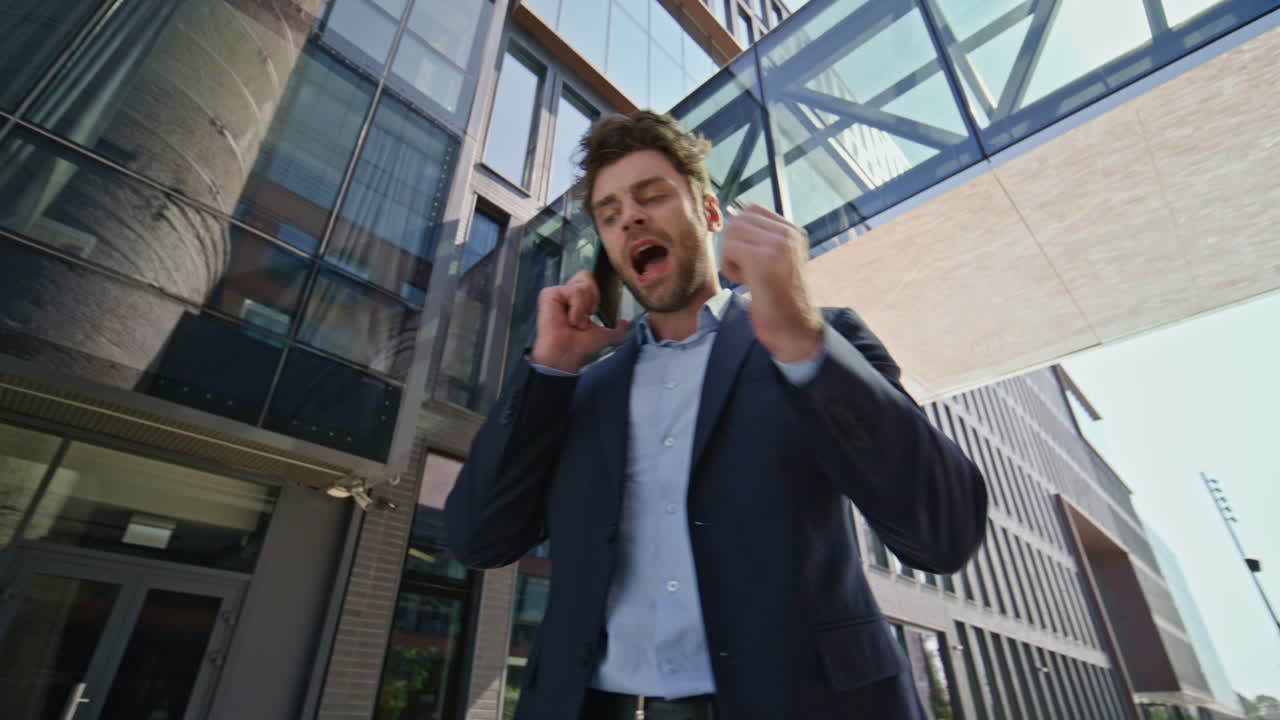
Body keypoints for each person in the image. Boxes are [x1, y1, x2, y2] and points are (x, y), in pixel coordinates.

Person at [445, 111, 988, 720]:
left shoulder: (818, 339)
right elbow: (477, 540)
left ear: (708, 214)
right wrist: (547, 371)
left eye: (652, 195)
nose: (631, 216)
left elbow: (944, 534)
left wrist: (803, 338)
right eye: (610, 212)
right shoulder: (580, 389)